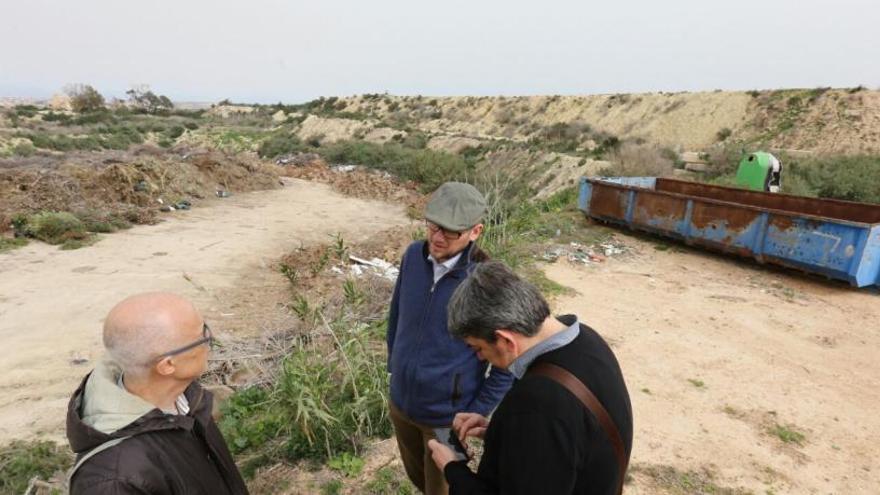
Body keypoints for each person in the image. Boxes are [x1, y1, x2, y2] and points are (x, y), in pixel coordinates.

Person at [427, 261, 633, 495]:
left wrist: (452, 468)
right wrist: (503, 432)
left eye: (477, 348)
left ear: (506, 340)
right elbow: (567, 439)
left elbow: (545, 423)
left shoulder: (536, 406)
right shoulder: (587, 339)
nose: (480, 357)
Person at [387, 182, 514, 494]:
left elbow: (507, 362)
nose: (438, 237)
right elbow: (396, 317)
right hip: (401, 405)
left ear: (475, 231)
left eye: (450, 231)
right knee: (420, 481)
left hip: (446, 419)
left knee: (445, 490)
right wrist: (395, 368)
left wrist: (476, 410)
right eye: (433, 226)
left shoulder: (486, 281)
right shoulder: (413, 257)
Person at [66, 292, 248, 494]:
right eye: (201, 336)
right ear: (168, 365)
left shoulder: (184, 399)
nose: (210, 340)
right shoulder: (113, 482)